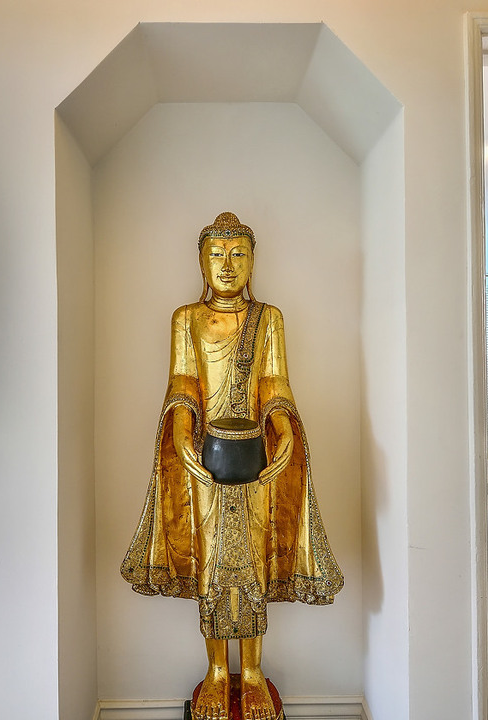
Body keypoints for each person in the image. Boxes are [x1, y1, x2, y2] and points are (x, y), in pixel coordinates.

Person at [121, 212, 343, 720]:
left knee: (253, 563)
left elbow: (275, 382)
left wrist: (284, 427)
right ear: (200, 260)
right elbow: (182, 379)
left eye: (238, 253)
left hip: (256, 455)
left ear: (253, 261)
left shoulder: (269, 318)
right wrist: (179, 431)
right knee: (214, 565)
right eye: (217, 254)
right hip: (206, 457)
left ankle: (253, 672)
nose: (227, 264)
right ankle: (218, 672)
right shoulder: (186, 318)